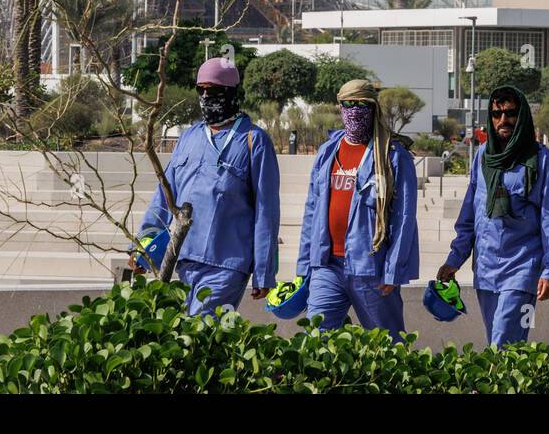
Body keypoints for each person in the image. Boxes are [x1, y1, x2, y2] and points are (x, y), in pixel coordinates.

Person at [135, 57, 280, 315]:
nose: (205, 96)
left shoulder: (254, 141)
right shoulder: (189, 136)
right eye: (199, 89)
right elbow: (164, 195)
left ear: (230, 93)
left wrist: (264, 273)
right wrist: (143, 249)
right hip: (184, 258)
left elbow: (266, 212)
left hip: (227, 264)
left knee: (201, 329)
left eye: (212, 90)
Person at [437, 85, 549, 346]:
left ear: (521, 117)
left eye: (510, 113)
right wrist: (455, 259)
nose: (503, 120)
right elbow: (470, 215)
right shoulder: (483, 157)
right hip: (486, 272)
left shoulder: (540, 159)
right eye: (497, 114)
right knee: (501, 347)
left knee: (504, 344)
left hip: (523, 273)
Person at [296, 79, 418, 341]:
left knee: (387, 344)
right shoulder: (328, 150)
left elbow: (404, 217)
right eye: (348, 104)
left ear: (373, 108)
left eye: (361, 105)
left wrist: (393, 270)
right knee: (316, 341)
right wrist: (305, 266)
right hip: (327, 266)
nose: (354, 111)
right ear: (339, 107)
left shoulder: (393, 154)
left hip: (371, 269)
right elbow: (312, 211)